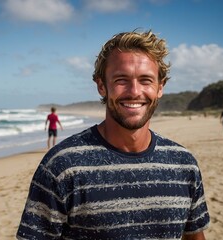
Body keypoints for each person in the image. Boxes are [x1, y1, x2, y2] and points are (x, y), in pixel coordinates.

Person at [17, 30, 210, 239]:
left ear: (160, 87)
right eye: (121, 80)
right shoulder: (62, 166)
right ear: (102, 86)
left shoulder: (184, 164)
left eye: (146, 80)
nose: (135, 91)